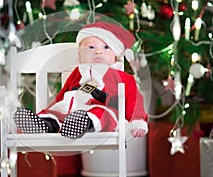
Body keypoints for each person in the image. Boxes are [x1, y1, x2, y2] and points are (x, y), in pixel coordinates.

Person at [13, 21, 148, 139]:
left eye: (106, 47)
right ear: (80, 55)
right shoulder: (78, 72)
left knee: (101, 113)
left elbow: (134, 100)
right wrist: (51, 108)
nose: (98, 52)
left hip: (103, 108)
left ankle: (81, 124)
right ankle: (42, 125)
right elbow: (63, 93)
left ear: (115, 56)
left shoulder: (121, 77)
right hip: (70, 109)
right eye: (91, 47)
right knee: (55, 112)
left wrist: (137, 121)